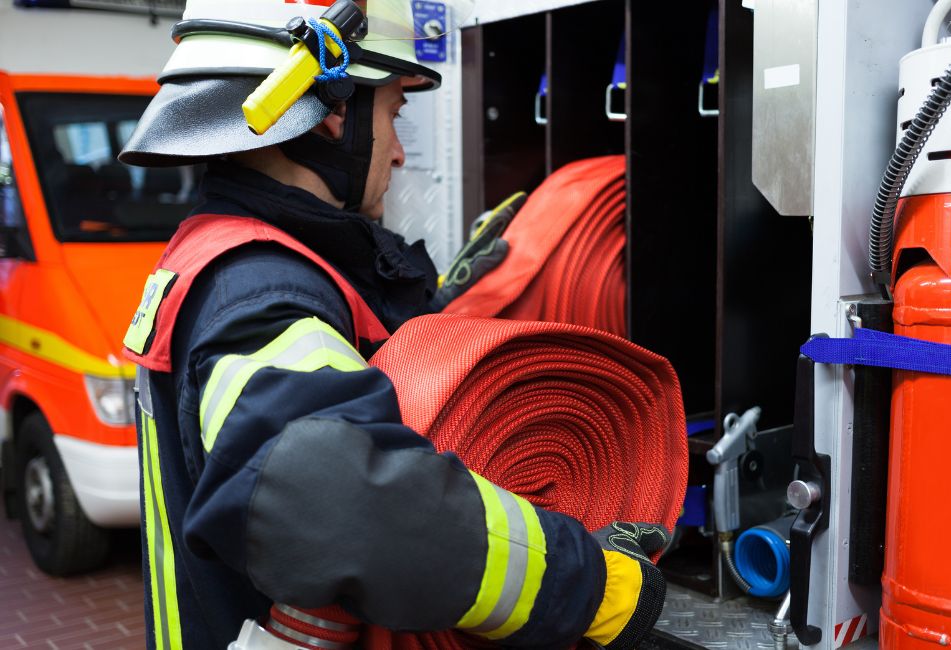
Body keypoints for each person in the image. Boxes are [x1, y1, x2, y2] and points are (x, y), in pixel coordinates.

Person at [119, 1, 667, 648]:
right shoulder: (259, 291)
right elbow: (336, 500)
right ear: (333, 111)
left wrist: (435, 323)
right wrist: (594, 588)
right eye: (393, 114)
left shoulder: (226, 251)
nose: (402, 154)